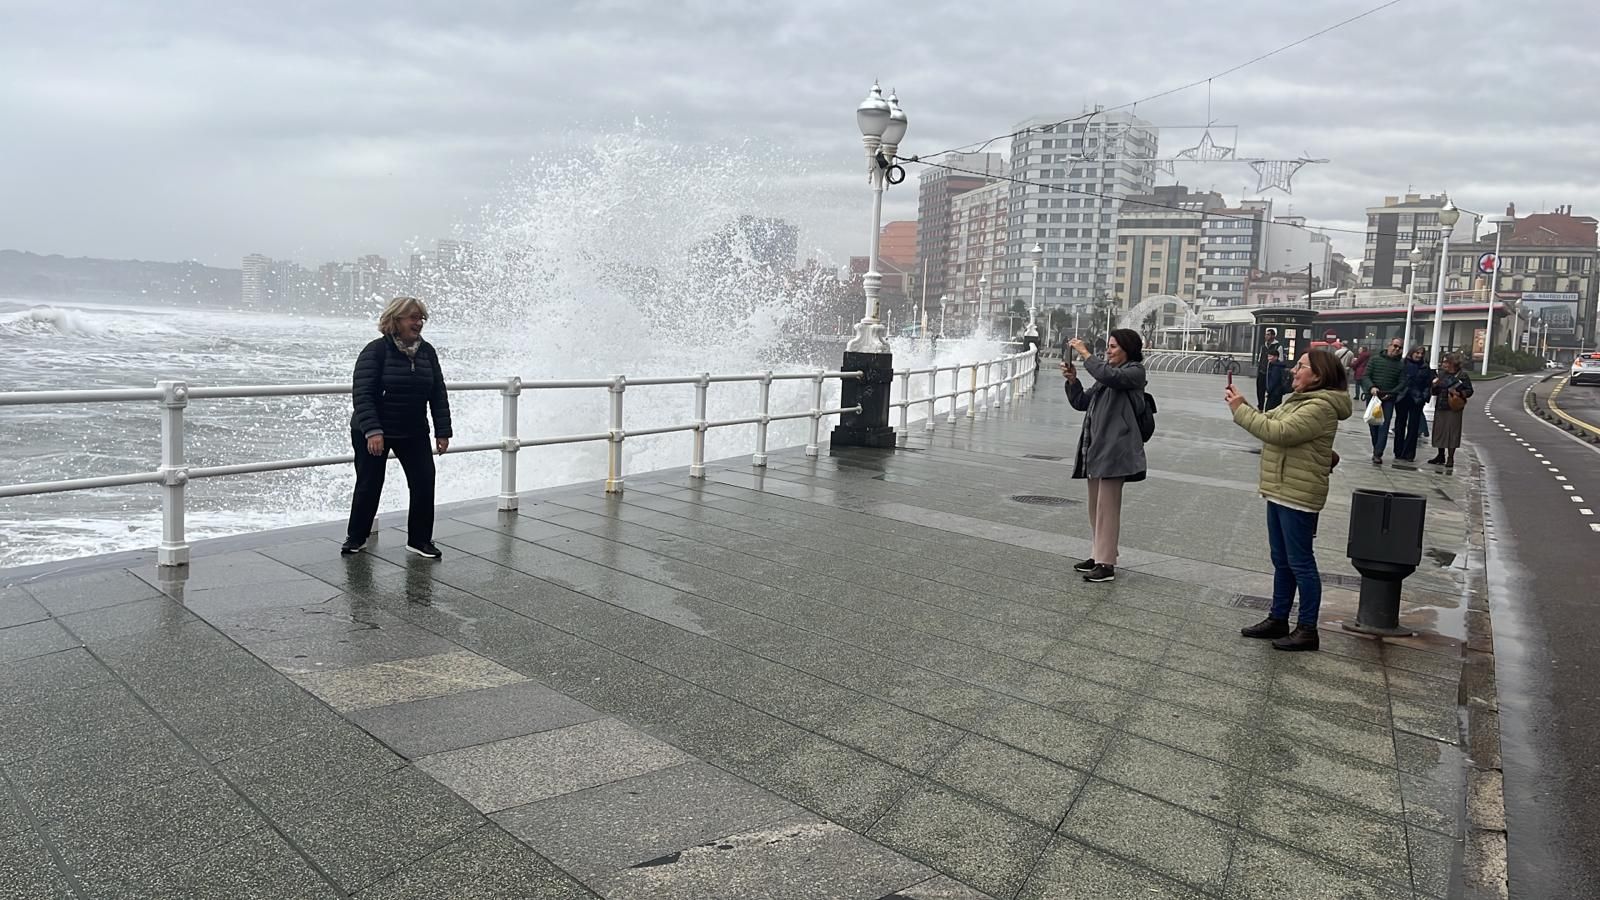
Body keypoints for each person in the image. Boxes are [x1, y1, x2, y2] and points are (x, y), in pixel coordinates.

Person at [1225, 351, 1353, 651]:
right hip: (1280, 488)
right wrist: (1243, 405)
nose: (1293, 370)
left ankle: (1307, 628)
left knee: (1301, 562)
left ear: (1318, 376)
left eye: (1301, 366)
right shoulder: (1297, 400)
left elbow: (1279, 433)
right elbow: (1266, 420)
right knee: (1281, 560)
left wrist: (1238, 411)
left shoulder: (1321, 406)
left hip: (1299, 493)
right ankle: (1278, 618)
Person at [343, 297, 453, 558]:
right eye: (413, 317)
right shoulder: (376, 351)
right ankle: (356, 537)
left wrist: (443, 431)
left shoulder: (427, 352)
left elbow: (438, 393)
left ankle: (419, 540)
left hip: (412, 429)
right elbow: (363, 394)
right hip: (373, 430)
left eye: (421, 318)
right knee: (370, 483)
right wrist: (373, 431)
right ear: (396, 320)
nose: (418, 323)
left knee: (424, 481)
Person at [1061, 328, 1148, 584]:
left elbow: (1107, 375)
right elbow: (1081, 403)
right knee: (1095, 507)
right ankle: (1098, 553)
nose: (1108, 351)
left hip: (1117, 450)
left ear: (1128, 350)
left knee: (1108, 509)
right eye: (1108, 347)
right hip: (1097, 450)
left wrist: (1086, 354)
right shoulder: (1106, 376)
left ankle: (1106, 564)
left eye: (1112, 347)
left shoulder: (1133, 373)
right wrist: (1072, 381)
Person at [1361, 338, 1404, 465]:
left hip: (1388, 399)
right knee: (1373, 423)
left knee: (1384, 425)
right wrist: (1371, 387)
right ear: (1389, 345)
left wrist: (1391, 393)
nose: (1397, 349)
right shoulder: (1375, 359)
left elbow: (1402, 382)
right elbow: (1366, 375)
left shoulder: (1401, 364)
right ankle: (1376, 446)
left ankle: (1378, 453)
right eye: (1395, 346)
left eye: (1399, 347)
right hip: (1373, 396)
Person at [1427, 353, 1474, 470]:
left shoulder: (1462, 375)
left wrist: (1460, 393)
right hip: (1441, 406)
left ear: (1453, 363)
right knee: (1440, 431)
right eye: (1443, 362)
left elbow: (1469, 391)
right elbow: (1434, 392)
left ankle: (1451, 457)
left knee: (1453, 432)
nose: (1443, 365)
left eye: (1446, 362)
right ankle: (1440, 455)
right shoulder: (1441, 375)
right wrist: (1434, 386)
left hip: (1454, 407)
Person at [1392, 346, 1435, 462]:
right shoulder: (1403, 364)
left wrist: (1424, 396)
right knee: (1400, 424)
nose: (1419, 355)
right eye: (1417, 353)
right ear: (1411, 353)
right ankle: (1398, 451)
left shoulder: (1425, 367)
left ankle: (1409, 453)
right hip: (1402, 397)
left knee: (1413, 426)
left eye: (1421, 353)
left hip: (1417, 398)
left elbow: (1428, 384)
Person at [1254, 327, 1283, 409]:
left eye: (1268, 334)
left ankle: (1269, 407)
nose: (1266, 336)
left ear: (1273, 336)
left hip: (1271, 373)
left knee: (1271, 391)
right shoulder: (1263, 346)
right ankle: (1260, 406)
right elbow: (1260, 357)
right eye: (1266, 334)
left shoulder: (1278, 346)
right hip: (1262, 371)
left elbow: (1280, 360)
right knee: (1260, 390)